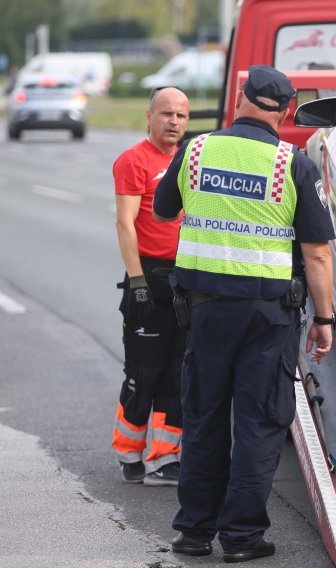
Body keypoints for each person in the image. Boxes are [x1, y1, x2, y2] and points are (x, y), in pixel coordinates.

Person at [152, 65, 335, 563]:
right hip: (267, 317)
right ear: (286, 111)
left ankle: (193, 533)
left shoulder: (195, 149)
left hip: (204, 313)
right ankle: (241, 539)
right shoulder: (292, 164)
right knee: (258, 422)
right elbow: (317, 254)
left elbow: (164, 212)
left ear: (240, 99)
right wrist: (325, 319)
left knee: (205, 417)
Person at [111, 87, 190, 487]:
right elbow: (125, 223)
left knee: (177, 376)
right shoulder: (133, 161)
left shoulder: (191, 160)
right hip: (148, 279)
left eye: (181, 115)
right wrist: (137, 279)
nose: (174, 121)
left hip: (185, 281)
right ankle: (128, 452)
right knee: (144, 373)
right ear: (149, 116)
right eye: (166, 114)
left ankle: (164, 458)